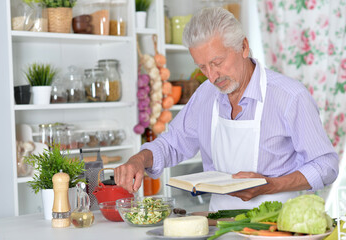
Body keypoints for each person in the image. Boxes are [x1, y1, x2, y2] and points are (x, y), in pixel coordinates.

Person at [114, 7, 339, 211]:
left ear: (243, 46)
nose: (211, 76)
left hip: (275, 227)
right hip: (219, 226)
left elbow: (326, 166)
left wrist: (269, 186)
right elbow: (173, 142)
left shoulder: (290, 97)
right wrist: (139, 159)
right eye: (202, 67)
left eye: (217, 63)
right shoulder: (205, 94)